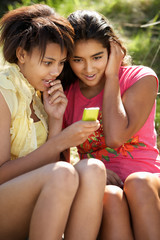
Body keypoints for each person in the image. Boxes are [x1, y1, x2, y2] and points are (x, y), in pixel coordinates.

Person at [0, 5, 107, 240]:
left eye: (61, 63)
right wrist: (59, 142)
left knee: (93, 169)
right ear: (21, 54)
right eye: (48, 63)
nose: (55, 72)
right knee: (63, 174)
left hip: (28, 202)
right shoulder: (3, 92)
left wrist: (56, 119)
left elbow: (47, 171)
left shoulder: (39, 95)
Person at [62, 10, 160, 239]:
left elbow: (117, 137)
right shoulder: (66, 96)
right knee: (110, 196)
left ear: (112, 50)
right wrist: (91, 173)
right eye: (78, 59)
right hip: (103, 189)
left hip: (148, 183)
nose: (88, 69)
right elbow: (60, 162)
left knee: (138, 182)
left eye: (97, 57)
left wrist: (113, 77)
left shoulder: (140, 78)